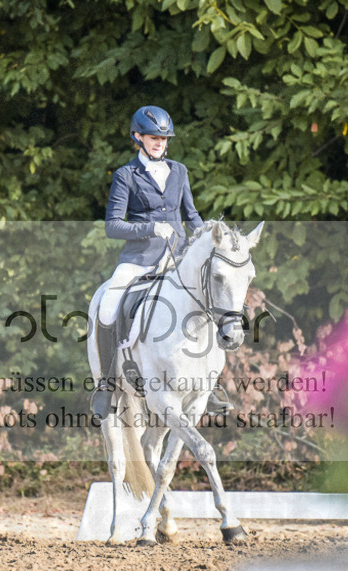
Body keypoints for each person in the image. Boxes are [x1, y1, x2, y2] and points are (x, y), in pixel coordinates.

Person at [92, 105, 232, 418]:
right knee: (107, 307)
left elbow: (190, 213)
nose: (160, 142)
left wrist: (208, 235)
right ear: (138, 137)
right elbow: (113, 225)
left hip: (178, 258)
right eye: (154, 137)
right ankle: (106, 384)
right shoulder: (126, 175)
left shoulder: (179, 171)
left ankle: (212, 382)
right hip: (139, 259)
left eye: (164, 138)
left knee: (215, 300)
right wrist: (150, 227)